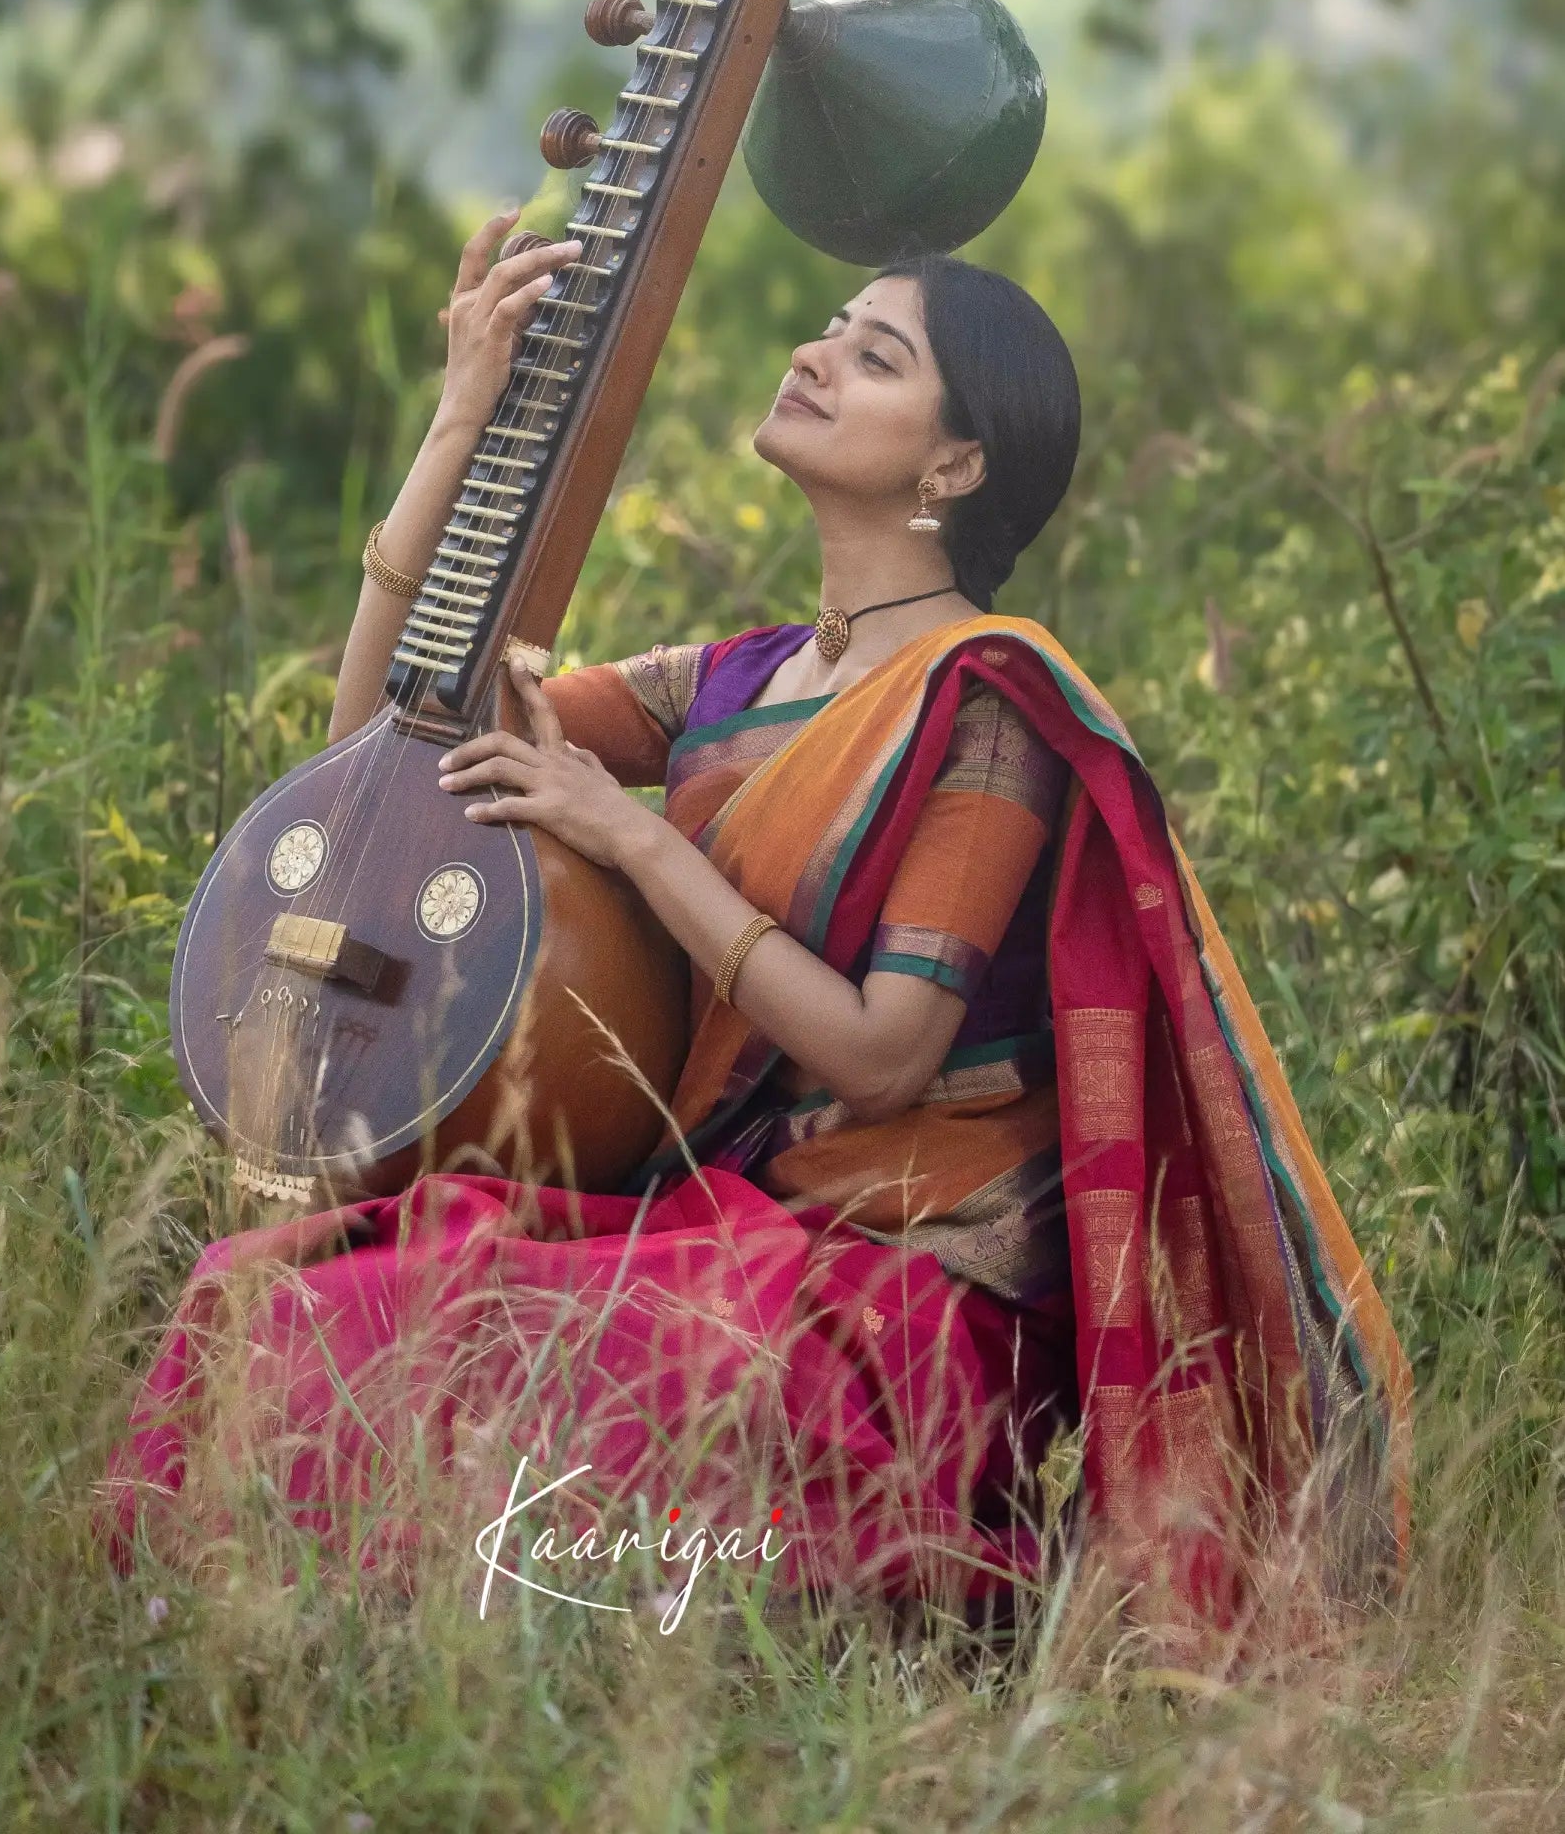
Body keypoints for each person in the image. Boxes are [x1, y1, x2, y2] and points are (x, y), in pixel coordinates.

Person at [103, 213, 1410, 1639]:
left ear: (953, 465)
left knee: (470, 1351)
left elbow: (886, 1056)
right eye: (829, 330)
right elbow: (386, 748)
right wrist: (456, 422)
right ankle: (278, 1636)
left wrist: (632, 838)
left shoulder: (985, 697)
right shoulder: (732, 680)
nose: (815, 355)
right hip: (721, 1230)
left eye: (875, 354)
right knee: (288, 1295)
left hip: (906, 1293)